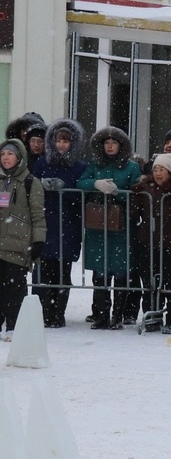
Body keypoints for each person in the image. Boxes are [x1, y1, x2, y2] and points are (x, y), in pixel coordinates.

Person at [77, 126, 142, 329]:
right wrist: (95, 183)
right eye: (106, 142)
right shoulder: (95, 164)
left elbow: (138, 194)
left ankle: (117, 316)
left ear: (121, 146)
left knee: (120, 272)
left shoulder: (131, 167)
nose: (110, 146)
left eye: (114, 143)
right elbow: (80, 183)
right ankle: (101, 315)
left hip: (122, 225)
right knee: (100, 272)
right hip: (98, 225)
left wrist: (118, 193)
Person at [30, 118, 86, 328]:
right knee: (44, 271)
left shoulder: (79, 166)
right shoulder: (42, 163)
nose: (61, 145)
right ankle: (44, 312)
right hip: (46, 222)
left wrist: (67, 190)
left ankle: (58, 313)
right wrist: (41, 185)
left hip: (68, 225)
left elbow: (81, 195)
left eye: (66, 141)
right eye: (58, 140)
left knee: (63, 273)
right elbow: (32, 186)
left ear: (73, 143)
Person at [130, 153, 171, 333]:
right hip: (148, 241)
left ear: (170, 172)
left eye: (162, 169)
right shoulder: (146, 189)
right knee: (149, 282)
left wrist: (170, 193)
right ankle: (152, 317)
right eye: (155, 169)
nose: (158, 173)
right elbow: (134, 212)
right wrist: (136, 194)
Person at [0, 140, 44, 338]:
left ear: (19, 158)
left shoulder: (30, 183)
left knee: (15, 287)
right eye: (3, 154)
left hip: (18, 245)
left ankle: (13, 326)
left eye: (10, 154)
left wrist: (38, 241)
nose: (5, 158)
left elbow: (38, 216)